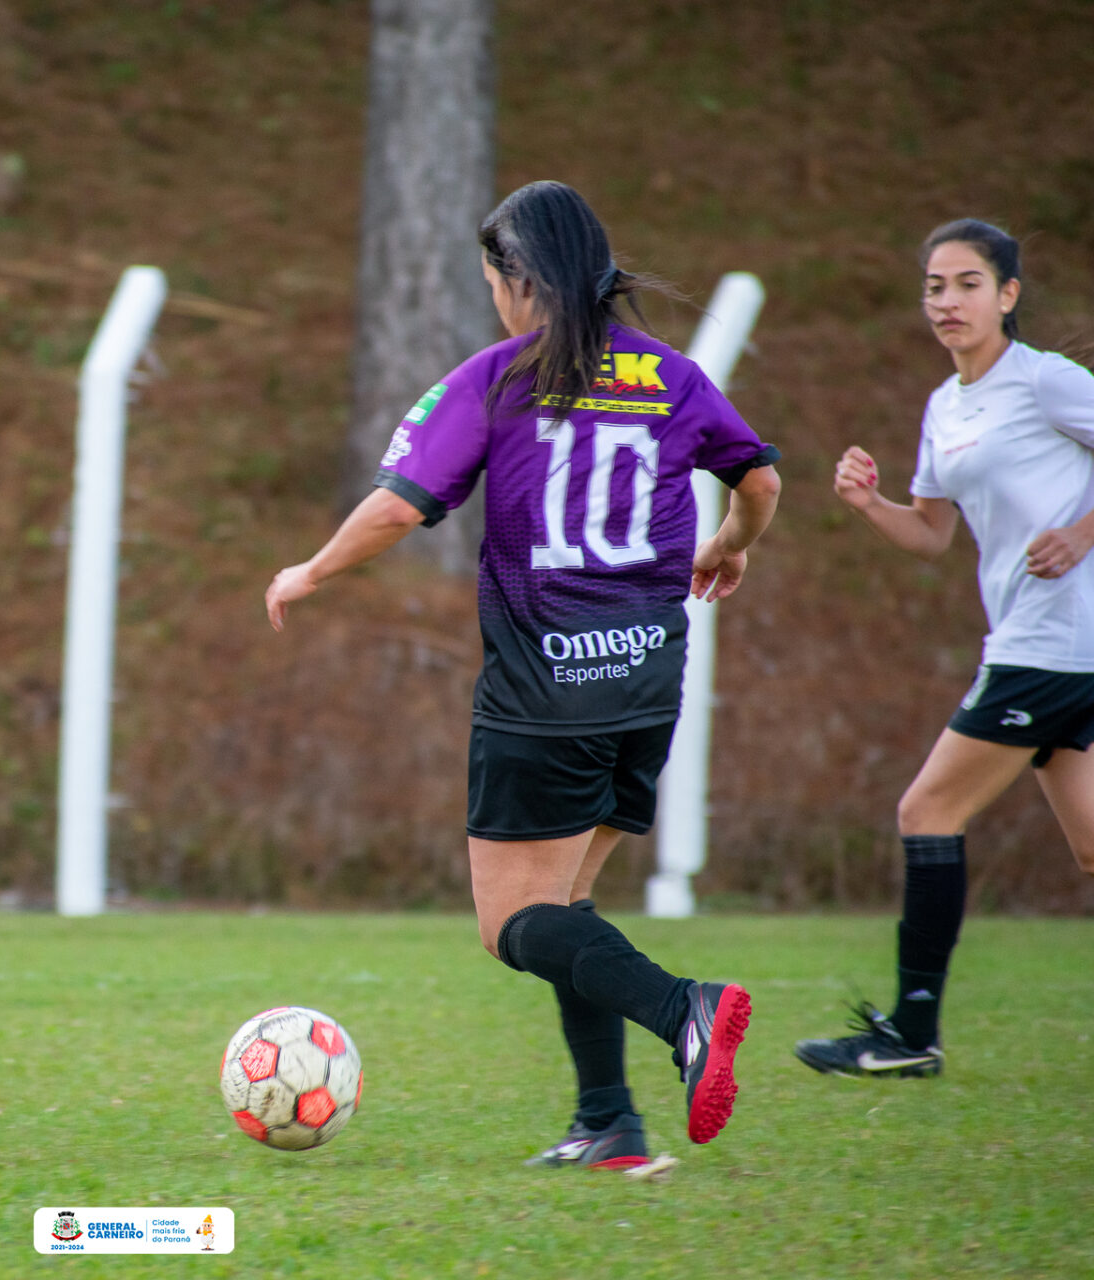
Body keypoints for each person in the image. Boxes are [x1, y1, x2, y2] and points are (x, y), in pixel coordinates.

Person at [265, 180, 783, 1167]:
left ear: (520, 281)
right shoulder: (669, 376)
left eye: (493, 279)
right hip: (644, 680)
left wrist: (312, 568)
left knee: (512, 922)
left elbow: (398, 506)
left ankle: (687, 1009)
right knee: (566, 907)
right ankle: (610, 1124)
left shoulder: (498, 380)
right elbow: (759, 476)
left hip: (545, 689)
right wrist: (729, 544)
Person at [794, 220, 1094, 1079]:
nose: (948, 301)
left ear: (1008, 294)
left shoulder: (1045, 382)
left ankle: (910, 1033)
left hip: (1053, 643)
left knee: (926, 812)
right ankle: (909, 1036)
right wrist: (867, 503)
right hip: (1031, 642)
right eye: (934, 286)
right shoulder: (945, 405)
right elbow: (931, 535)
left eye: (968, 283)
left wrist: (1080, 533)